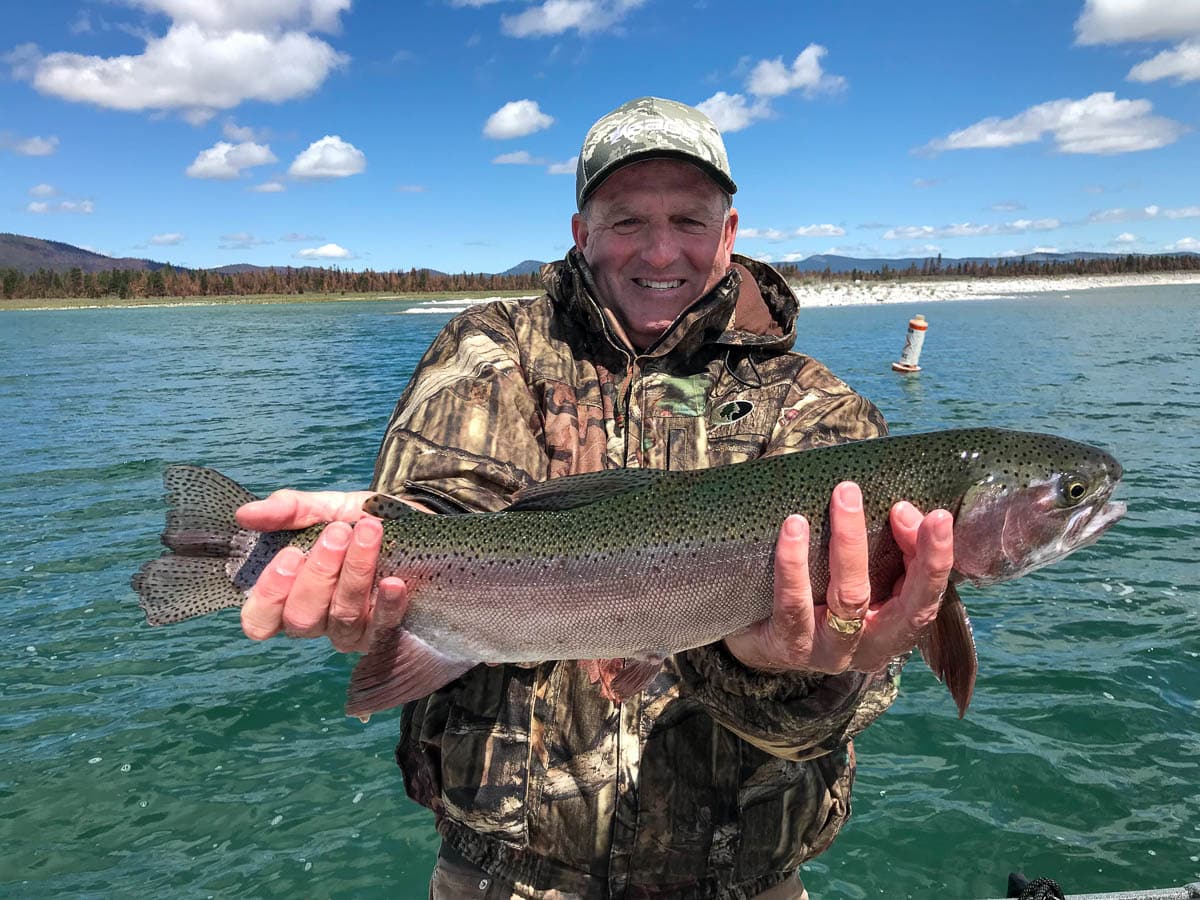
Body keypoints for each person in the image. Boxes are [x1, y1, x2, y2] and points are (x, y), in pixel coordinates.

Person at [235, 97, 954, 899]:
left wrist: (789, 669)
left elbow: (844, 707)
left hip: (745, 880)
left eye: (688, 219)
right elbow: (448, 494)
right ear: (581, 231)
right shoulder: (491, 346)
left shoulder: (818, 409)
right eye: (625, 222)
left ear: (730, 231)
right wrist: (371, 545)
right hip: (500, 876)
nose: (659, 250)